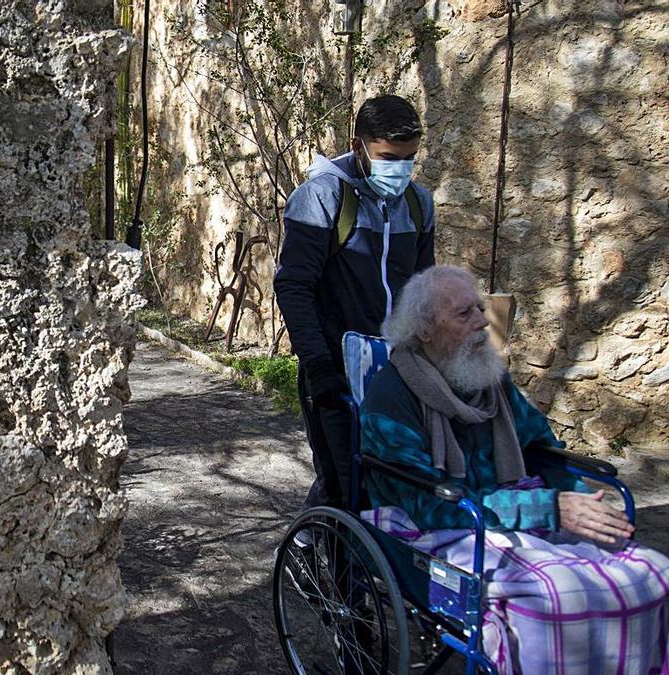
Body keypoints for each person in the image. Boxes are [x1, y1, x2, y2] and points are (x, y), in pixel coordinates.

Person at [362, 265, 669, 673]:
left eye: (480, 308)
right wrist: (552, 509)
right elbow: (430, 507)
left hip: (514, 507)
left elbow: (541, 447)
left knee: (654, 573)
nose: (483, 321)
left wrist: (578, 497)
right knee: (559, 598)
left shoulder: (488, 377)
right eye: (464, 314)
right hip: (441, 523)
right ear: (424, 330)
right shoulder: (391, 395)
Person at [274, 94, 435, 510]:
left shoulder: (418, 205)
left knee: (391, 479)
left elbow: (423, 286)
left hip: (397, 371)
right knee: (347, 485)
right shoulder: (322, 197)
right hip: (336, 368)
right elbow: (293, 286)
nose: (398, 169)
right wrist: (319, 365)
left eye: (408, 158)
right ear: (358, 143)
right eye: (387, 157)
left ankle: (318, 541)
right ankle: (336, 567)